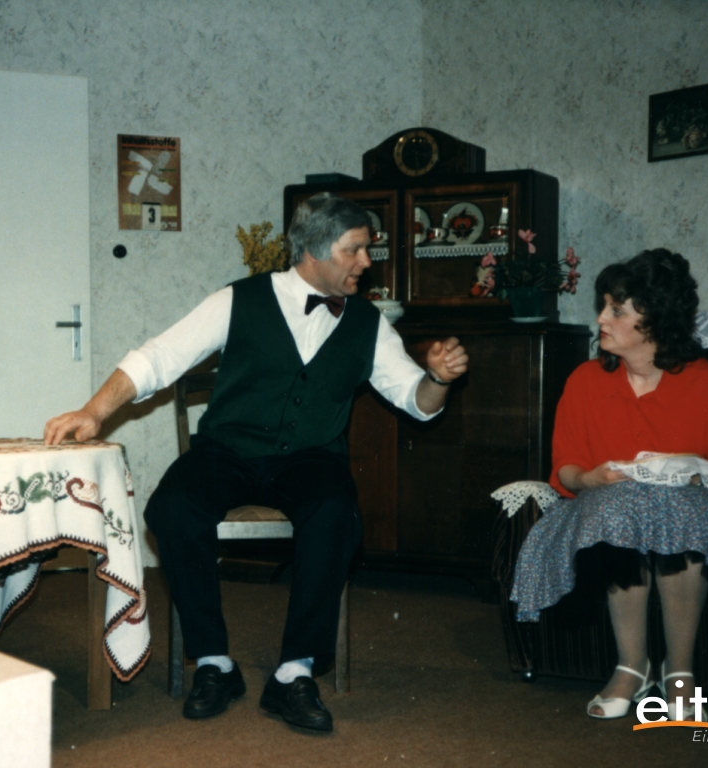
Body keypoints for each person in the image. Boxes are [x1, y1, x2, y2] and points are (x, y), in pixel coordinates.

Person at [45, 193, 468, 732]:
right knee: (173, 507)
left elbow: (417, 402)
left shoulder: (369, 322)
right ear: (313, 251)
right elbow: (159, 357)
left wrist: (437, 379)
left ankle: (295, 673)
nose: (367, 261)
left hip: (311, 459)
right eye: (355, 249)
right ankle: (214, 663)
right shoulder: (237, 300)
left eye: (368, 248)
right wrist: (94, 411)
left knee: (335, 512)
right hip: (228, 451)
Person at [509, 249, 708, 720]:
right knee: (619, 505)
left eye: (616, 310)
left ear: (654, 320)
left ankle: (678, 671)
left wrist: (699, 478)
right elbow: (565, 469)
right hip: (603, 514)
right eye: (604, 307)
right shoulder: (585, 381)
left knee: (679, 507)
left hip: (699, 517)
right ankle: (632, 666)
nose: (601, 319)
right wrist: (590, 478)